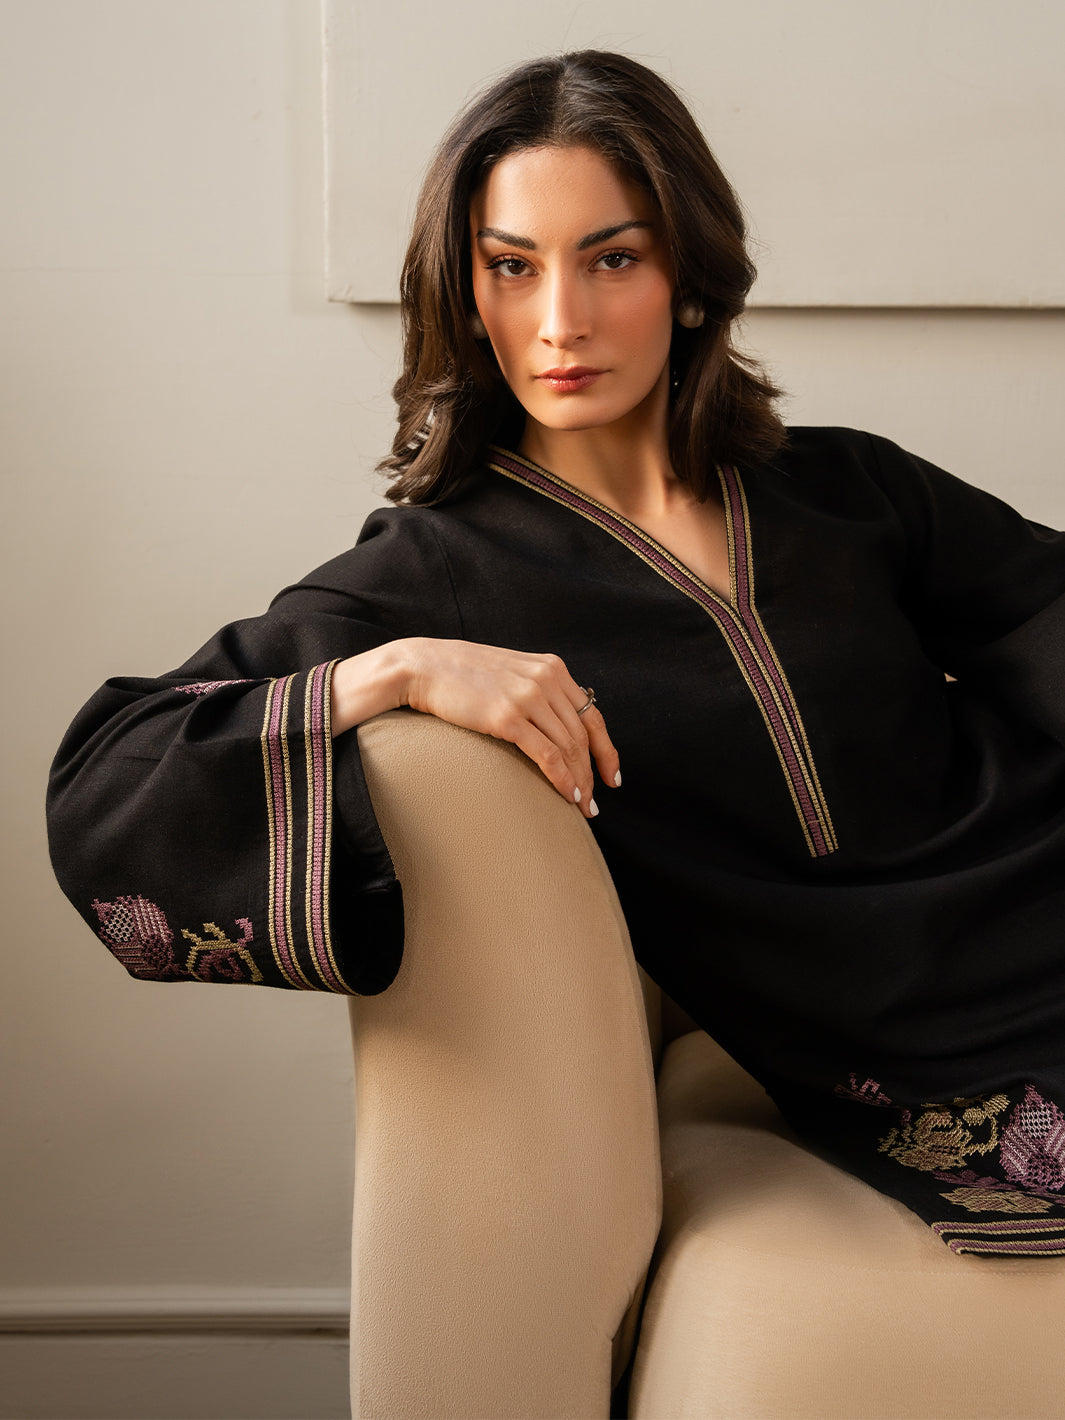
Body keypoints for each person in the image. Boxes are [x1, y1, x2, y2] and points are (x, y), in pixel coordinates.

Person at [47, 50, 1065, 1257]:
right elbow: (106, 786)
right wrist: (395, 672)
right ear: (466, 292)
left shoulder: (847, 485)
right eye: (512, 266)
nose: (561, 321)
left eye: (612, 259)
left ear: (690, 280)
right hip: (931, 1047)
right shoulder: (435, 574)